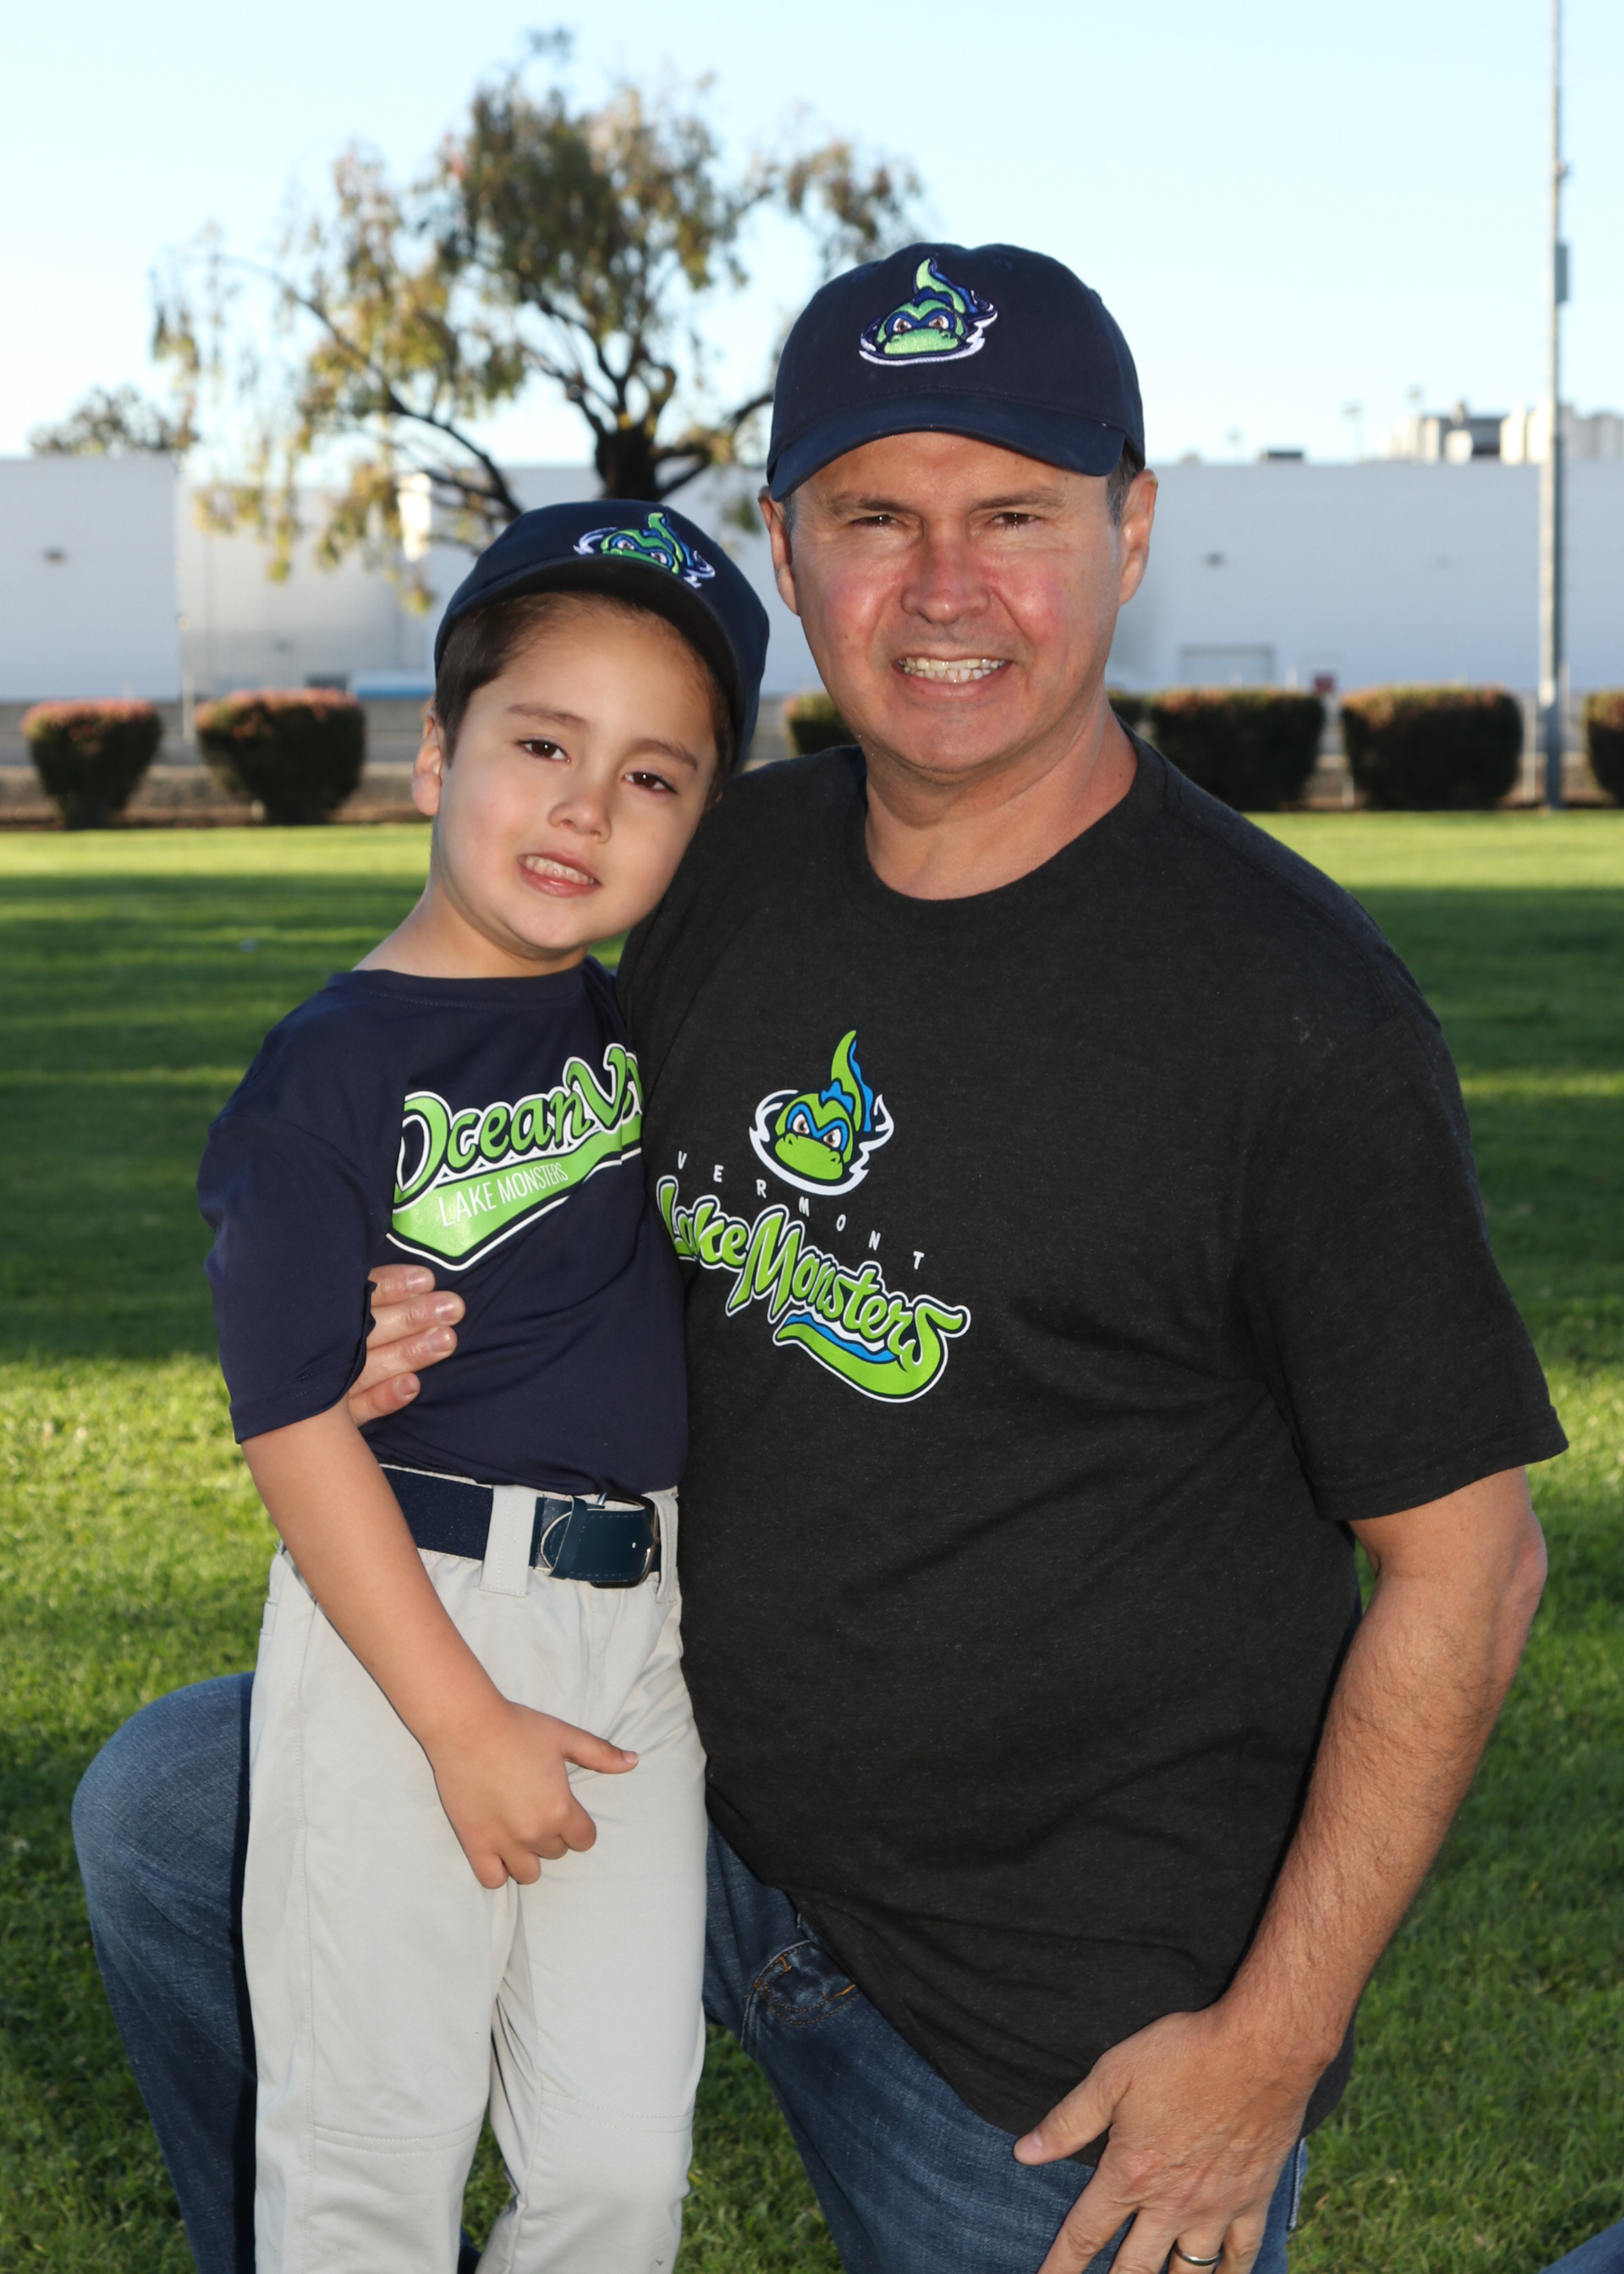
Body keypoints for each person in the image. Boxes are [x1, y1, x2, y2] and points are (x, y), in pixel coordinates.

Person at [75, 244, 1562, 2274]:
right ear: (787, 547)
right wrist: (369, 1296)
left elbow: (1471, 1568)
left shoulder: (1293, 1013)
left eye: (1012, 514)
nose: (943, 588)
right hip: (660, 1766)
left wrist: (1266, 2045)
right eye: (874, 518)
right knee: (180, 1811)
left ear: (1129, 529)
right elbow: (476, 1082)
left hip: (1044, 1988)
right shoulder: (717, 862)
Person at [192, 500, 767, 2274]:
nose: (586, 808)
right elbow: (291, 1421)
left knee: (617, 2169)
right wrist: (457, 1720)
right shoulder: (324, 1072)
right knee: (369, 2168)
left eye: (653, 776)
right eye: (542, 745)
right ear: (437, 755)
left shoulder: (641, 1030)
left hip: (637, 1637)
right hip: (416, 1624)